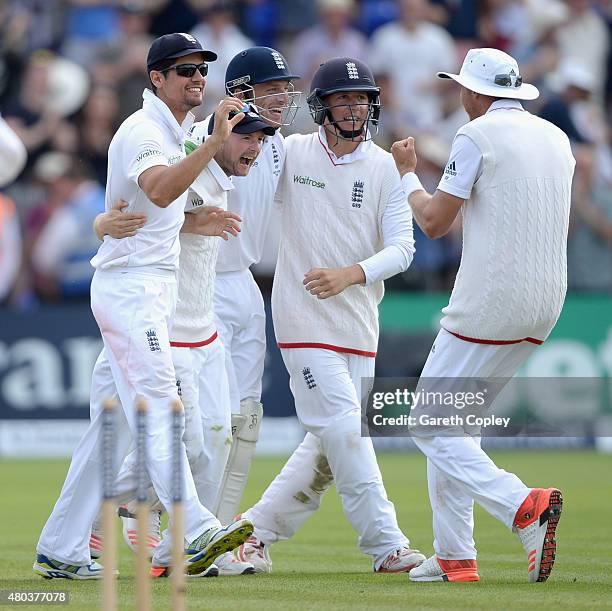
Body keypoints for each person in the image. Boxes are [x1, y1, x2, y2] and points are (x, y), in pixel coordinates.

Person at [34, 33, 252, 580]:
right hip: (131, 288)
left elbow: (160, 209)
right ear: (156, 78)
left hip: (149, 286)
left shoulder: (169, 129)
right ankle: (195, 526)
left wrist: (195, 220)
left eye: (202, 70)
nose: (196, 79)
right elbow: (157, 189)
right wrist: (209, 146)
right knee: (159, 403)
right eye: (184, 71)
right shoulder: (145, 130)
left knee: (110, 433)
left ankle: (60, 548)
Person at [390, 47, 574, 583]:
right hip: (546, 302)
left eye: (461, 89)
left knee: (427, 424)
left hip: (489, 301)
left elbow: (433, 223)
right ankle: (455, 557)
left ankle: (523, 506)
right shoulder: (556, 137)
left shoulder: (475, 136)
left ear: (473, 92)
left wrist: (406, 174)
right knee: (456, 428)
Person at [238, 57, 425, 574]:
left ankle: (250, 535)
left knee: (326, 451)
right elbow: (240, 175)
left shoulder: (387, 165)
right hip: (303, 320)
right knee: (345, 431)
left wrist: (352, 274)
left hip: (359, 325)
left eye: (361, 98)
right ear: (322, 105)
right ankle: (386, 545)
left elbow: (403, 248)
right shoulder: (291, 152)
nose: (353, 107)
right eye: (343, 98)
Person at [94, 107, 275, 578]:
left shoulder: (223, 172)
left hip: (204, 330)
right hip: (164, 327)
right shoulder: (189, 153)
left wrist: (195, 222)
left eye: (261, 139)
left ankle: (174, 544)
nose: (254, 148)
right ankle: (126, 513)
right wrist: (100, 223)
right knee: (187, 441)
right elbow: (144, 202)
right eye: (247, 138)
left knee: (217, 442)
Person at [209, 46, 301, 526]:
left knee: (246, 418)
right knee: (210, 421)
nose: (283, 97)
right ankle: (151, 522)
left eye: (286, 87)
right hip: (200, 285)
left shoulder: (277, 144)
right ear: (241, 91)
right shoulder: (212, 134)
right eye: (272, 88)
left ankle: (219, 532)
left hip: (244, 283)